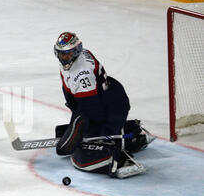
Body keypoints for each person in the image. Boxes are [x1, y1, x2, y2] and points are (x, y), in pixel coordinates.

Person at [53, 32, 153, 178]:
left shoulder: (82, 73)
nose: (65, 58)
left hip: (112, 107)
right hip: (106, 96)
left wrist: (81, 126)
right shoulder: (77, 59)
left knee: (92, 131)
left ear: (77, 51)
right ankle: (129, 132)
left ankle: (126, 142)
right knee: (84, 127)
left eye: (68, 54)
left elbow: (92, 110)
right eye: (62, 54)